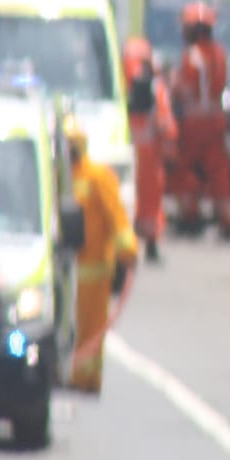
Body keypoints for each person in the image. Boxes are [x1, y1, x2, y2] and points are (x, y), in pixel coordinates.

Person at [65, 115, 138, 396]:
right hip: (66, 268)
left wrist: (127, 249)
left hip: (94, 267)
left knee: (91, 323)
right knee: (69, 325)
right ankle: (72, 371)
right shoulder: (59, 177)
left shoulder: (97, 176)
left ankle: (87, 378)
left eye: (71, 145)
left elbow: (116, 216)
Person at [167, 1, 230, 238]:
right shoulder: (220, 54)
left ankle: (190, 216)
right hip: (216, 121)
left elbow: (182, 89)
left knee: (184, 169)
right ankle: (227, 220)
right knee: (219, 171)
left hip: (194, 125)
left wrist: (172, 83)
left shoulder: (191, 56)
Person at [123, 37, 176, 265]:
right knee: (152, 203)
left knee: (129, 199)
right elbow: (165, 124)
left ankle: (127, 246)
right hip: (151, 156)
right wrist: (170, 147)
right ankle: (151, 245)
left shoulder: (119, 86)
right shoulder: (157, 88)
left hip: (128, 153)